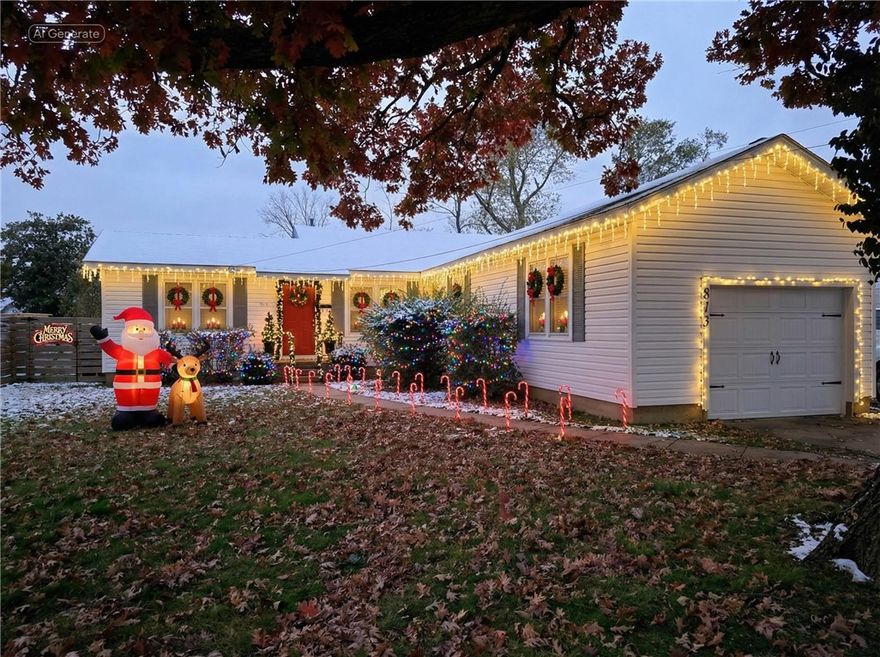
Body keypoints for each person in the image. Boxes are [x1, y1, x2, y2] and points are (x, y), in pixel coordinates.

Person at [90, 307, 176, 430]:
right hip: (126, 397)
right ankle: (125, 414)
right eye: (136, 329)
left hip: (149, 398)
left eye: (145, 329)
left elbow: (170, 361)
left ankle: (149, 413)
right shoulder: (122, 352)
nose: (140, 333)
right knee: (123, 422)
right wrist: (102, 338)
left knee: (153, 420)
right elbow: (110, 347)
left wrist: (178, 367)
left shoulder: (156, 353)